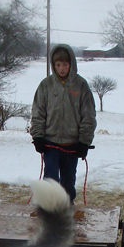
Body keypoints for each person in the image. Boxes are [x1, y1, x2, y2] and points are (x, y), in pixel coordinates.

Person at [30, 44, 97, 202]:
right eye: (58, 65)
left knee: (68, 183)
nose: (61, 68)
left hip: (72, 145)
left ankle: (67, 212)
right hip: (50, 143)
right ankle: (49, 212)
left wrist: (84, 142)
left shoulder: (81, 85)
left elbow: (88, 116)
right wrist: (38, 136)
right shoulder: (46, 85)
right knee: (50, 179)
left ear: (71, 64)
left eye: (65, 64)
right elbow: (38, 112)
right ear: (53, 65)